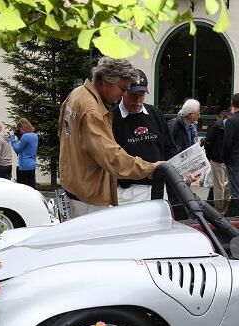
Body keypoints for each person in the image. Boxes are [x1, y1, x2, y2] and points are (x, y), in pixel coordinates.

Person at [58, 57, 162, 218]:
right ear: (106, 81)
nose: (124, 94)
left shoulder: (76, 94)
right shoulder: (92, 111)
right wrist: (150, 168)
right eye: (122, 88)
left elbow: (62, 133)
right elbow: (111, 156)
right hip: (89, 196)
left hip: (75, 188)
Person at [112, 69, 177, 204]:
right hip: (127, 193)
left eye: (141, 95)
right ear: (124, 92)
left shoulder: (155, 113)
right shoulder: (112, 118)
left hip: (158, 188)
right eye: (132, 95)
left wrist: (182, 170)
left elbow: (169, 149)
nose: (137, 100)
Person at [166, 99, 201, 219]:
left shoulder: (192, 126)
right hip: (176, 170)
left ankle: (183, 216)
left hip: (186, 169)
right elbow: (169, 150)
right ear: (190, 115)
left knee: (184, 195)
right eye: (197, 113)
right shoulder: (174, 125)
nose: (199, 115)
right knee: (177, 197)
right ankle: (179, 219)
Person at [203, 106, 229, 212]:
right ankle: (219, 207)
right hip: (222, 159)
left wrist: (210, 156)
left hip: (219, 158)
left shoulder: (216, 126)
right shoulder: (219, 126)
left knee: (219, 185)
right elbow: (208, 142)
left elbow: (208, 142)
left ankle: (218, 207)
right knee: (221, 185)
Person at [10, 118, 38, 188]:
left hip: (23, 167)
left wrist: (12, 138)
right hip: (31, 165)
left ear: (22, 127)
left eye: (19, 129)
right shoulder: (34, 136)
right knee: (31, 187)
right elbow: (25, 147)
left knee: (23, 188)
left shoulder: (25, 136)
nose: (19, 131)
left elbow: (17, 149)